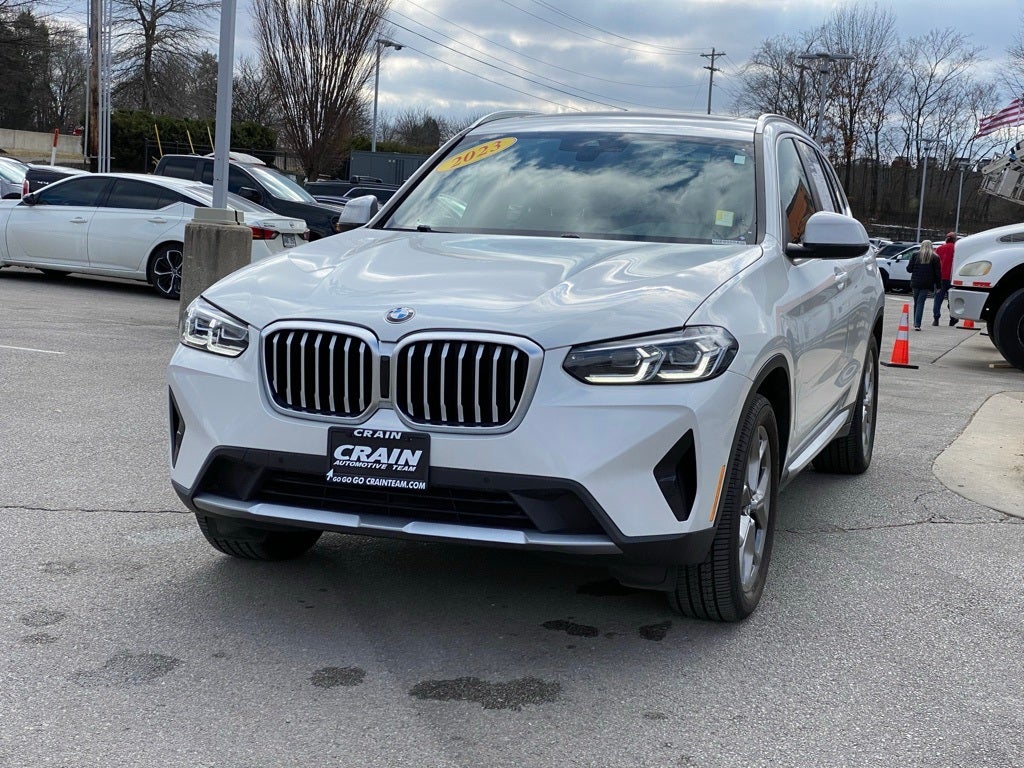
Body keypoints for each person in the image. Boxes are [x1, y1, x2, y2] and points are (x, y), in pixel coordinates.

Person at [908, 240, 941, 330]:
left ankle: (916, 322)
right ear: (931, 246)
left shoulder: (915, 255)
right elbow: (937, 273)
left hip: (915, 282)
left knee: (916, 302)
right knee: (920, 302)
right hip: (927, 283)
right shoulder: (935, 257)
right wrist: (938, 286)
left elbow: (909, 269)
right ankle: (917, 324)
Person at [933, 232, 957, 325]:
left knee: (937, 300)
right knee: (952, 300)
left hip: (940, 278)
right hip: (952, 279)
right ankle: (953, 318)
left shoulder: (939, 249)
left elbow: (934, 263)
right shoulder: (956, 249)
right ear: (954, 239)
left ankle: (936, 318)